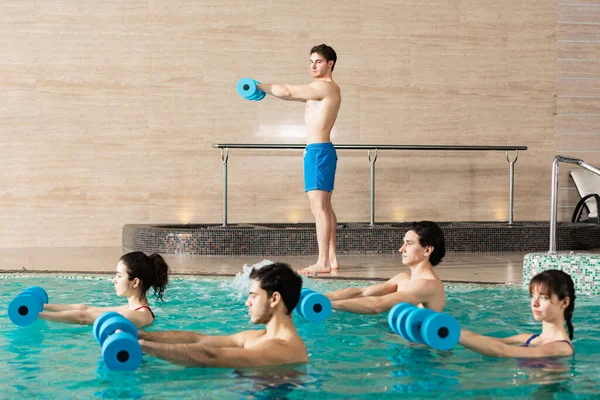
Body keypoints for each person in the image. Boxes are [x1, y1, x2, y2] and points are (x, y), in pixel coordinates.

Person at [256, 44, 342, 275]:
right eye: (311, 61)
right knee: (325, 207)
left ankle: (322, 261)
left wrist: (258, 86)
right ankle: (331, 258)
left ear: (330, 64)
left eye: (319, 62)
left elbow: (287, 91)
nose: (314, 66)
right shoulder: (325, 89)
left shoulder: (324, 87)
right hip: (320, 150)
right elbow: (290, 95)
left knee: (319, 208)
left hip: (318, 152)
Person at [138, 262, 309, 368]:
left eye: (253, 295)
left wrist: (141, 346)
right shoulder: (257, 337)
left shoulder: (283, 349)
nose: (247, 302)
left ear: (274, 299)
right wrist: (141, 336)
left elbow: (210, 356)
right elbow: (198, 340)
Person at [326, 221, 446, 314]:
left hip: (419, 346)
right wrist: (321, 298)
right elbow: (362, 292)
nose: (401, 249)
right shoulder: (402, 279)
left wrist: (326, 305)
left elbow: (377, 305)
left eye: (409, 243)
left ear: (427, 250)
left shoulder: (429, 285)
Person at [459, 269, 575, 358]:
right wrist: (452, 331)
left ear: (564, 302)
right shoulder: (527, 339)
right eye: (532, 296)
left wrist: (455, 335)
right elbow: (485, 340)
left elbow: (501, 351)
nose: (534, 303)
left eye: (544, 298)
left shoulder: (562, 348)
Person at [39, 252, 169, 328]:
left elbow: (83, 318)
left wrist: (36, 315)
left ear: (135, 282)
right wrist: (42, 306)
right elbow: (86, 309)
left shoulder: (135, 315)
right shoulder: (130, 309)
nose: (114, 280)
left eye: (119, 276)